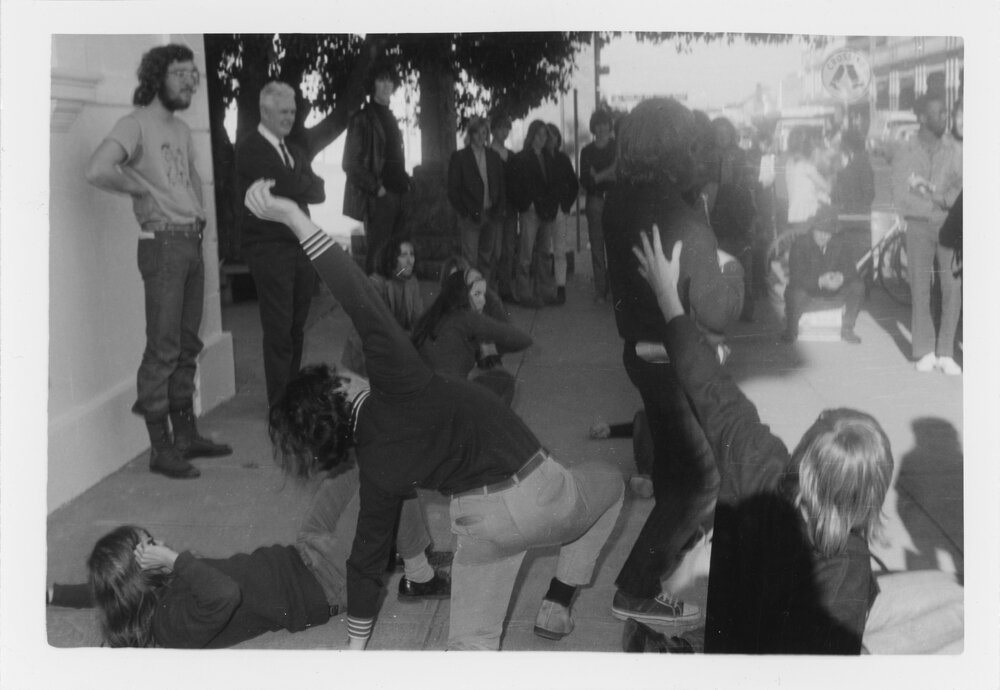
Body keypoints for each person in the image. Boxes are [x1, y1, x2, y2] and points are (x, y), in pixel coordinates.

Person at [244, 179, 624, 651]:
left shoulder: (377, 470)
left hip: (480, 528)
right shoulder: (399, 383)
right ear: (341, 385)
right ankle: (559, 601)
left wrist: (354, 653)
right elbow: (357, 295)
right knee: (610, 482)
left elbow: (364, 565)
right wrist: (295, 218)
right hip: (542, 493)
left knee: (471, 647)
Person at [628, 229, 893, 654]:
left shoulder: (758, 461)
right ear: (869, 495)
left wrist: (667, 297)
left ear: (806, 451)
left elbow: (712, 388)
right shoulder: (847, 564)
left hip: (730, 639)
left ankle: (683, 652)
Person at [602, 98, 744, 627]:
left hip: (638, 353)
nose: (696, 150)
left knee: (671, 469)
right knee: (702, 484)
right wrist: (729, 270)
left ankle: (659, 567)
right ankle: (635, 588)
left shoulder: (618, 200)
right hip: (676, 360)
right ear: (672, 147)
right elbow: (718, 310)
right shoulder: (686, 219)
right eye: (688, 142)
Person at [51, 463, 445, 647]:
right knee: (388, 477)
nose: (160, 545)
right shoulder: (172, 624)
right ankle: (418, 573)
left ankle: (394, 547)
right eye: (150, 546)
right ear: (140, 575)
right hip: (326, 585)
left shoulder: (141, 592)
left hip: (302, 552)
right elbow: (225, 594)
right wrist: (174, 560)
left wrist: (52, 593)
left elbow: (104, 589)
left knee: (362, 461)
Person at [85, 43, 231, 480]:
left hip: (191, 242)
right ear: (156, 77)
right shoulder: (135, 124)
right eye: (181, 73)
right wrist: (141, 190)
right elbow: (98, 168)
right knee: (164, 348)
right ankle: (160, 448)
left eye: (193, 74)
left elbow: (190, 181)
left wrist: (201, 220)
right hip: (163, 246)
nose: (190, 80)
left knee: (188, 343)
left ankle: (186, 435)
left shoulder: (183, 130)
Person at [236, 81, 327, 408]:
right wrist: (301, 183)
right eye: (284, 112)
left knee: (296, 326)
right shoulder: (251, 148)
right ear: (265, 111)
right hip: (270, 249)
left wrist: (298, 184)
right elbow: (296, 184)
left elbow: (319, 192)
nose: (290, 118)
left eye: (293, 111)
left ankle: (290, 397)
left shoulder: (295, 151)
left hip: (299, 248)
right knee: (278, 329)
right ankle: (279, 407)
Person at [891, 91, 963, 375]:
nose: (946, 118)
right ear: (922, 118)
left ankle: (945, 352)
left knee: (952, 287)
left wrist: (937, 197)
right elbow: (900, 194)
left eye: (946, 112)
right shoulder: (905, 151)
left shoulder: (954, 150)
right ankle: (924, 350)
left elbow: (959, 189)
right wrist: (936, 200)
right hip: (919, 227)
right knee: (920, 288)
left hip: (950, 226)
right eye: (940, 113)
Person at [412, 268, 532, 405]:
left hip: (423, 401)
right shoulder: (467, 318)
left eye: (485, 295)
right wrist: (487, 349)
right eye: (478, 294)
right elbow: (522, 339)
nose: (483, 301)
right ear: (462, 295)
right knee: (503, 380)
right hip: (451, 405)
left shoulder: (431, 317)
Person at [343, 60, 410, 274]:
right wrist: (377, 189)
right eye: (381, 79)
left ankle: (393, 305)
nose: (386, 84)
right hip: (380, 198)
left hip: (400, 195)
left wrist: (408, 183)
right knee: (378, 257)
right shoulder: (362, 119)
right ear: (372, 84)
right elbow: (350, 163)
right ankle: (372, 305)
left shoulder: (391, 117)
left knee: (397, 258)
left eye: (390, 80)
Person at [341, 235, 423, 377]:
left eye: (412, 254)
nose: (410, 260)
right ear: (391, 258)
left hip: (393, 347)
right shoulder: (375, 284)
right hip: (367, 356)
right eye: (403, 255)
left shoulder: (412, 282)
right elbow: (377, 327)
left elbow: (418, 319)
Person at [780, 206, 865, 345]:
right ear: (813, 229)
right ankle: (791, 329)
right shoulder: (800, 243)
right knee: (794, 292)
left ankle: (847, 329)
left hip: (833, 292)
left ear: (833, 233)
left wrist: (841, 277)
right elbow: (796, 277)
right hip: (809, 294)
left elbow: (851, 270)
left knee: (858, 286)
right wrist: (820, 281)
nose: (823, 236)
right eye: (819, 231)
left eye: (828, 233)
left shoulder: (840, 243)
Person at [447, 117, 506, 286]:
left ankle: (483, 295)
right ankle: (469, 296)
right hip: (470, 216)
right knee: (470, 261)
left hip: (490, 214)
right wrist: (465, 212)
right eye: (478, 133)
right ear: (471, 134)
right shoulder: (460, 157)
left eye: (484, 133)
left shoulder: (493, 156)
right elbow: (453, 190)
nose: (482, 137)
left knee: (486, 259)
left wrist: (498, 210)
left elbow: (501, 185)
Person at [509, 120, 559, 308]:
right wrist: (526, 204)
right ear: (531, 135)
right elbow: (515, 185)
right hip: (530, 212)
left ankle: (544, 291)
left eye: (544, 135)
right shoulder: (522, 158)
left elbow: (554, 184)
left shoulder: (549, 157)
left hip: (547, 211)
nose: (541, 138)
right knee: (526, 255)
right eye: (538, 134)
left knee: (545, 253)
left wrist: (553, 205)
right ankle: (524, 293)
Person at [579, 109, 617, 303]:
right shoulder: (586, 151)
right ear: (593, 127)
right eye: (597, 124)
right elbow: (586, 181)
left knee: (615, 246)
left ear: (609, 126)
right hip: (594, 201)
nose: (601, 128)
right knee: (596, 245)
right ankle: (600, 290)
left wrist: (599, 175)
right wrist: (609, 172)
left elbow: (620, 175)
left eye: (604, 124)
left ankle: (616, 289)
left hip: (614, 200)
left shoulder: (617, 147)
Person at [545, 123, 580, 305]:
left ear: (558, 138)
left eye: (554, 136)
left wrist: (565, 205)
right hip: (543, 212)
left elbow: (574, 185)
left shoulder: (563, 159)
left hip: (559, 211)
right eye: (547, 136)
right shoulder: (539, 158)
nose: (551, 140)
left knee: (560, 250)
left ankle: (560, 287)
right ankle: (542, 287)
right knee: (543, 251)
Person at [488, 114, 519, 302]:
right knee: (494, 250)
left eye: (507, 128)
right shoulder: (488, 153)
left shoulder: (512, 155)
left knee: (508, 249)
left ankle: (505, 288)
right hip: (495, 208)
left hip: (510, 207)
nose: (504, 132)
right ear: (493, 130)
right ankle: (491, 289)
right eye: (500, 128)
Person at [785, 126, 832, 231]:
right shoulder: (806, 166)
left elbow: (804, 187)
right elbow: (827, 188)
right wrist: (830, 173)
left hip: (795, 214)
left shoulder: (790, 163)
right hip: (808, 216)